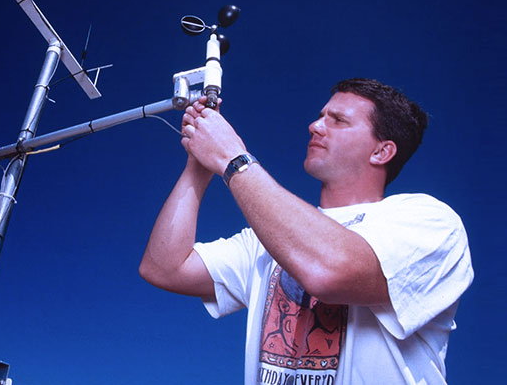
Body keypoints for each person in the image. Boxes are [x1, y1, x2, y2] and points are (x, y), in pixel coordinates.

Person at [139, 78, 474, 385]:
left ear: (381, 151)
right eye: (320, 116)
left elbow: (329, 272)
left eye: (338, 120)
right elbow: (165, 268)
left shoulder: (430, 223)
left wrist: (232, 158)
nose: (315, 126)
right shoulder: (271, 236)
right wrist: (200, 163)